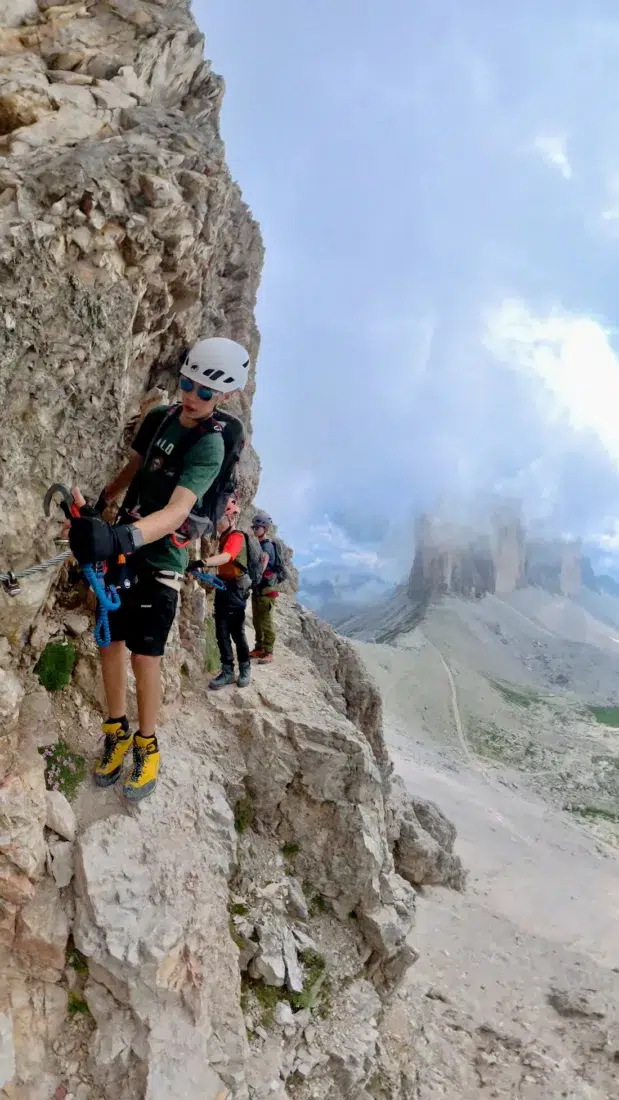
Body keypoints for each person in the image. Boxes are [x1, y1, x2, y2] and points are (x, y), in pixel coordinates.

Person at [67, 337, 250, 801]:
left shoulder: (209, 447)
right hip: (124, 544)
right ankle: (116, 732)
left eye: (205, 392)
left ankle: (147, 745)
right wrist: (103, 503)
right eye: (187, 383)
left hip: (162, 557)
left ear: (222, 397)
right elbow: (135, 467)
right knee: (110, 644)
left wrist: (123, 537)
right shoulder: (159, 418)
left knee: (145, 657)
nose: (192, 395)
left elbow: (177, 510)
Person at [198, 498, 252, 690]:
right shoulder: (224, 537)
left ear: (230, 518)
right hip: (225, 586)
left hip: (235, 589)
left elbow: (228, 557)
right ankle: (227, 671)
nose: (217, 523)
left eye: (220, 518)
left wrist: (204, 562)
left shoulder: (236, 537)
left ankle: (245, 668)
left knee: (236, 631)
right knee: (221, 631)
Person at [250, 511, 279, 663]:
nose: (255, 530)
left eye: (258, 528)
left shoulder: (267, 546)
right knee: (257, 621)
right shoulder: (261, 544)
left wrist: (253, 579)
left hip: (266, 590)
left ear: (265, 529)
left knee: (265, 621)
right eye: (254, 527)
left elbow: (263, 565)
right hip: (259, 589)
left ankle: (268, 651)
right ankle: (259, 647)